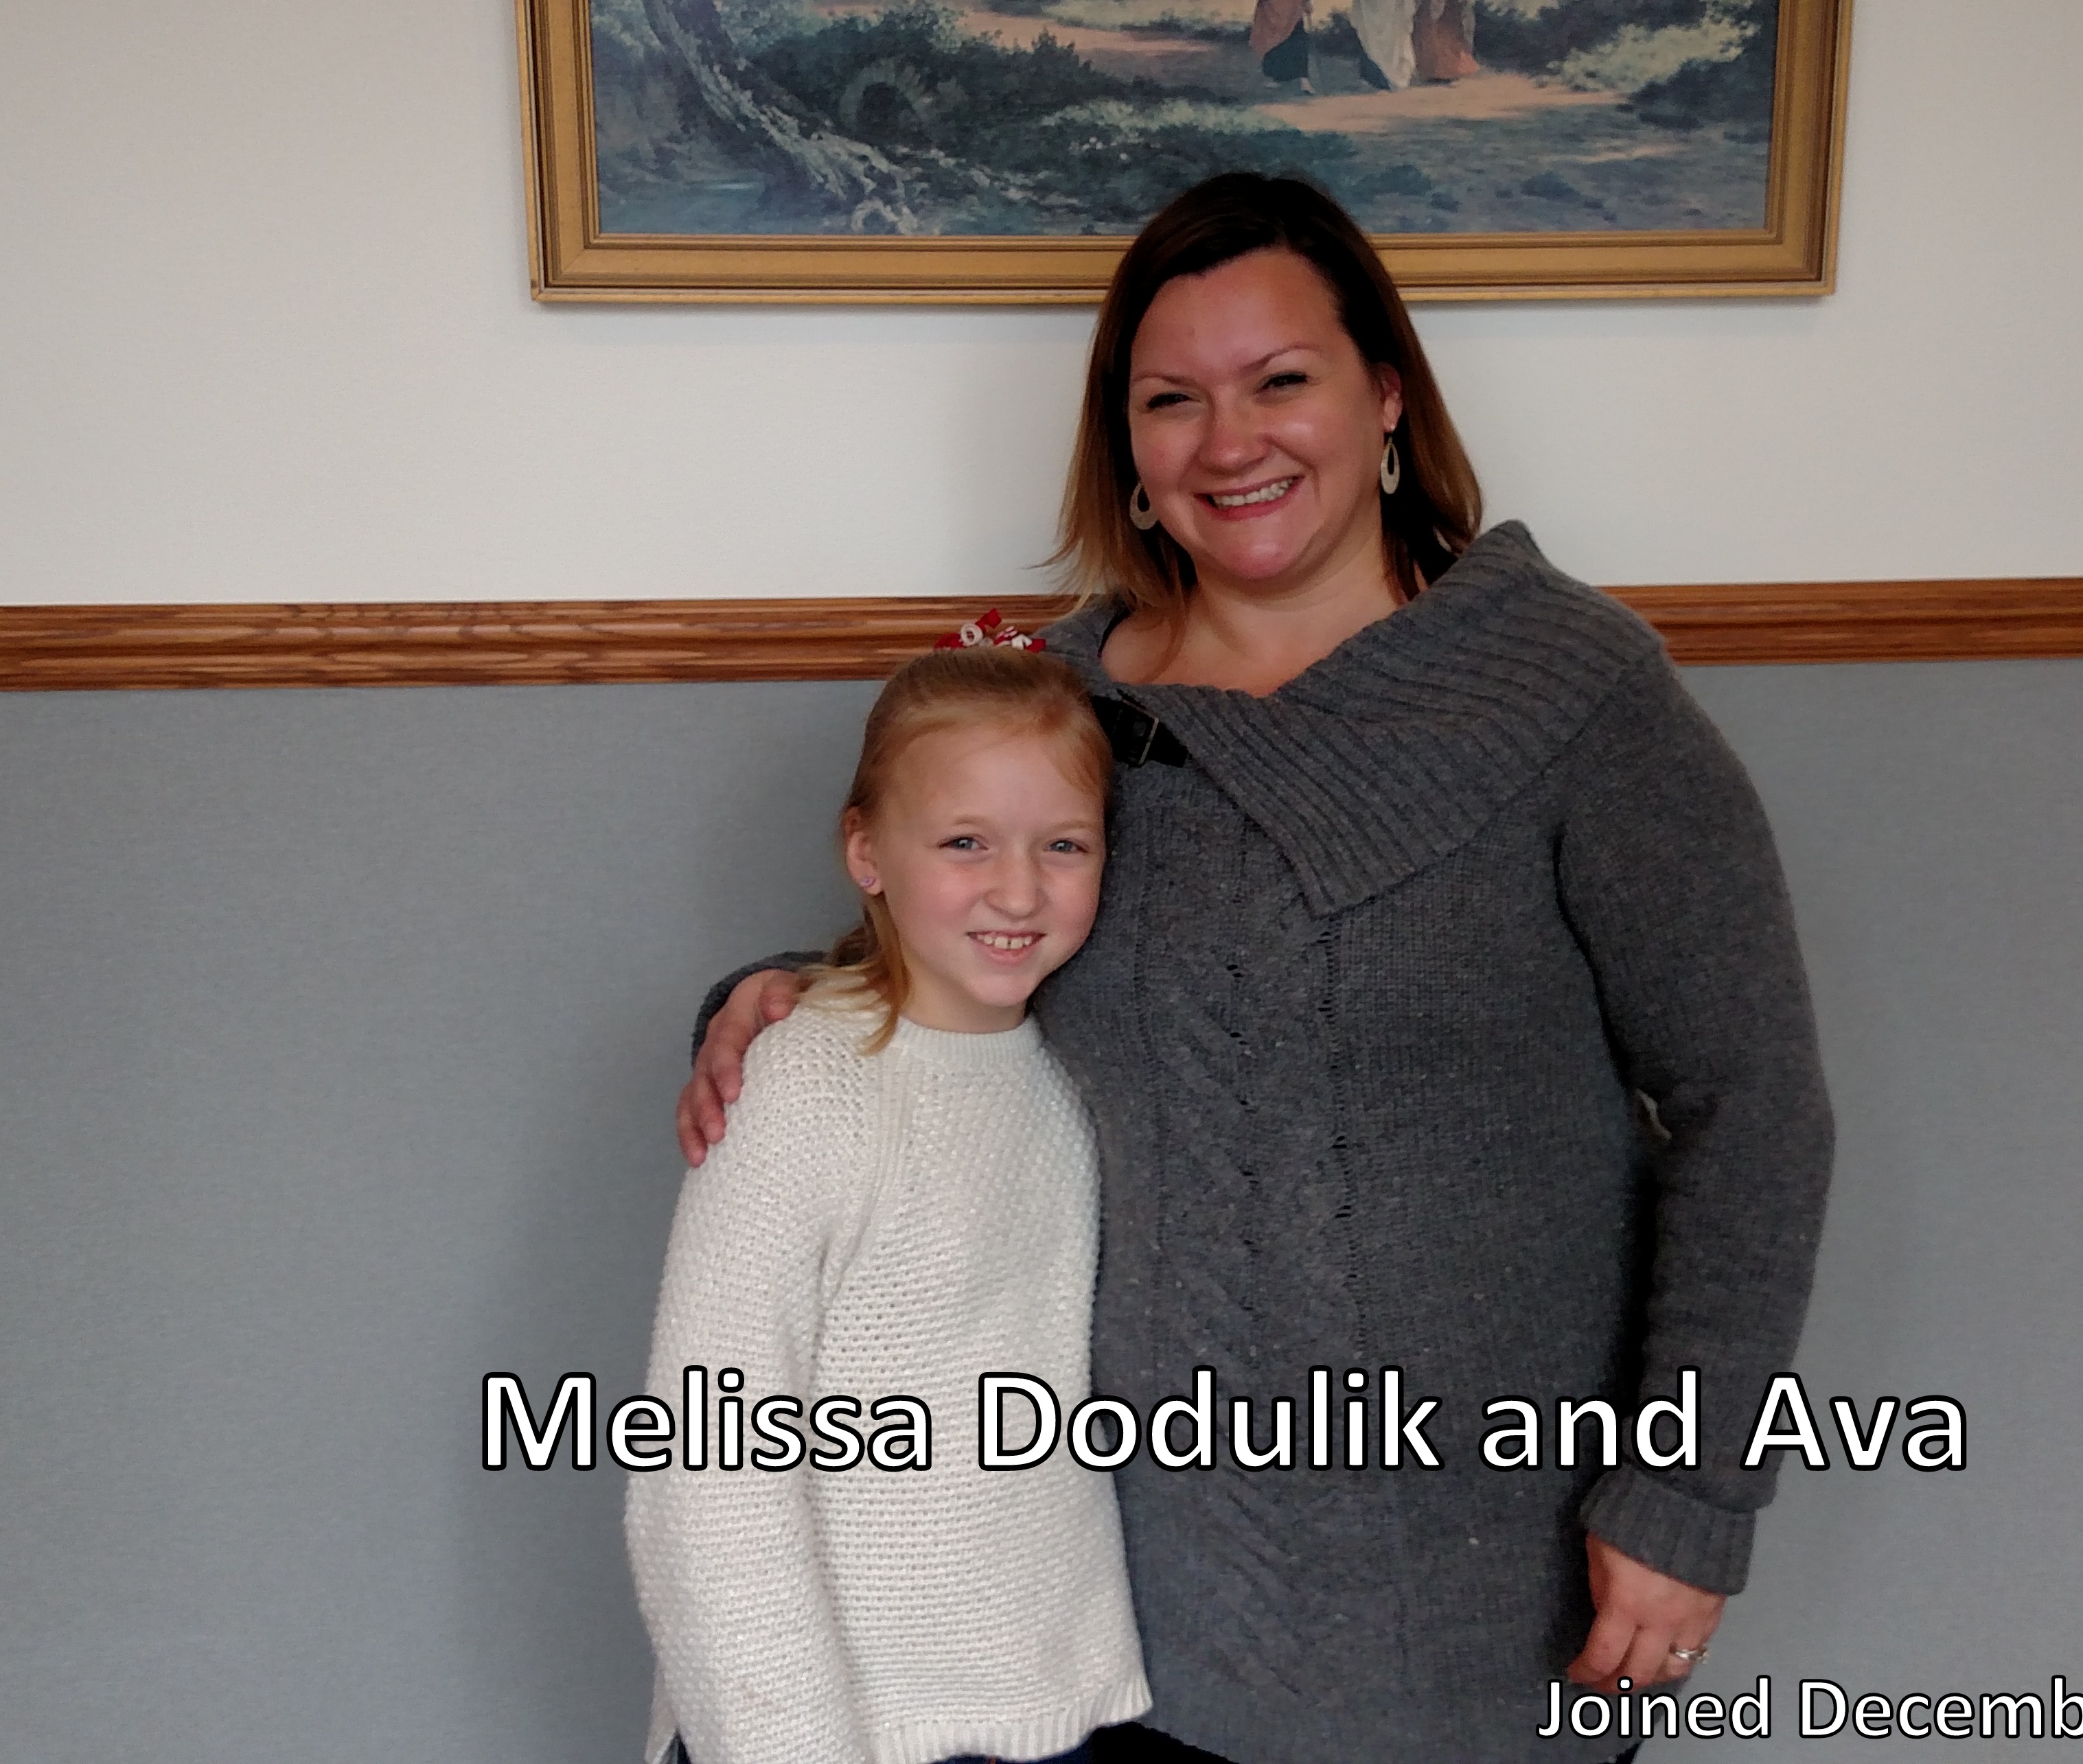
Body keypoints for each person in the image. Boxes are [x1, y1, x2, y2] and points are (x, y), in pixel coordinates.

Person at [679, 174, 1834, 1764]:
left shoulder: (1573, 694)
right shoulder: (1061, 708)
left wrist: (1692, 1490)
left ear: (1385, 395)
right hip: (1125, 1607)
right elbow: (967, 956)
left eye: (1281, 379)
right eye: (1173, 400)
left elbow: (1750, 1110)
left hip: (1497, 1585)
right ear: (1128, 446)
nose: (1231, 443)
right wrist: (776, 1002)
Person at [630, 643, 1151, 1764]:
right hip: (837, 1729)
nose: (1019, 889)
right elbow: (706, 1460)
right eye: (965, 841)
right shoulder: (805, 1083)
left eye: (1063, 844)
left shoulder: (1080, 1078)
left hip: (1054, 1708)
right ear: (866, 850)